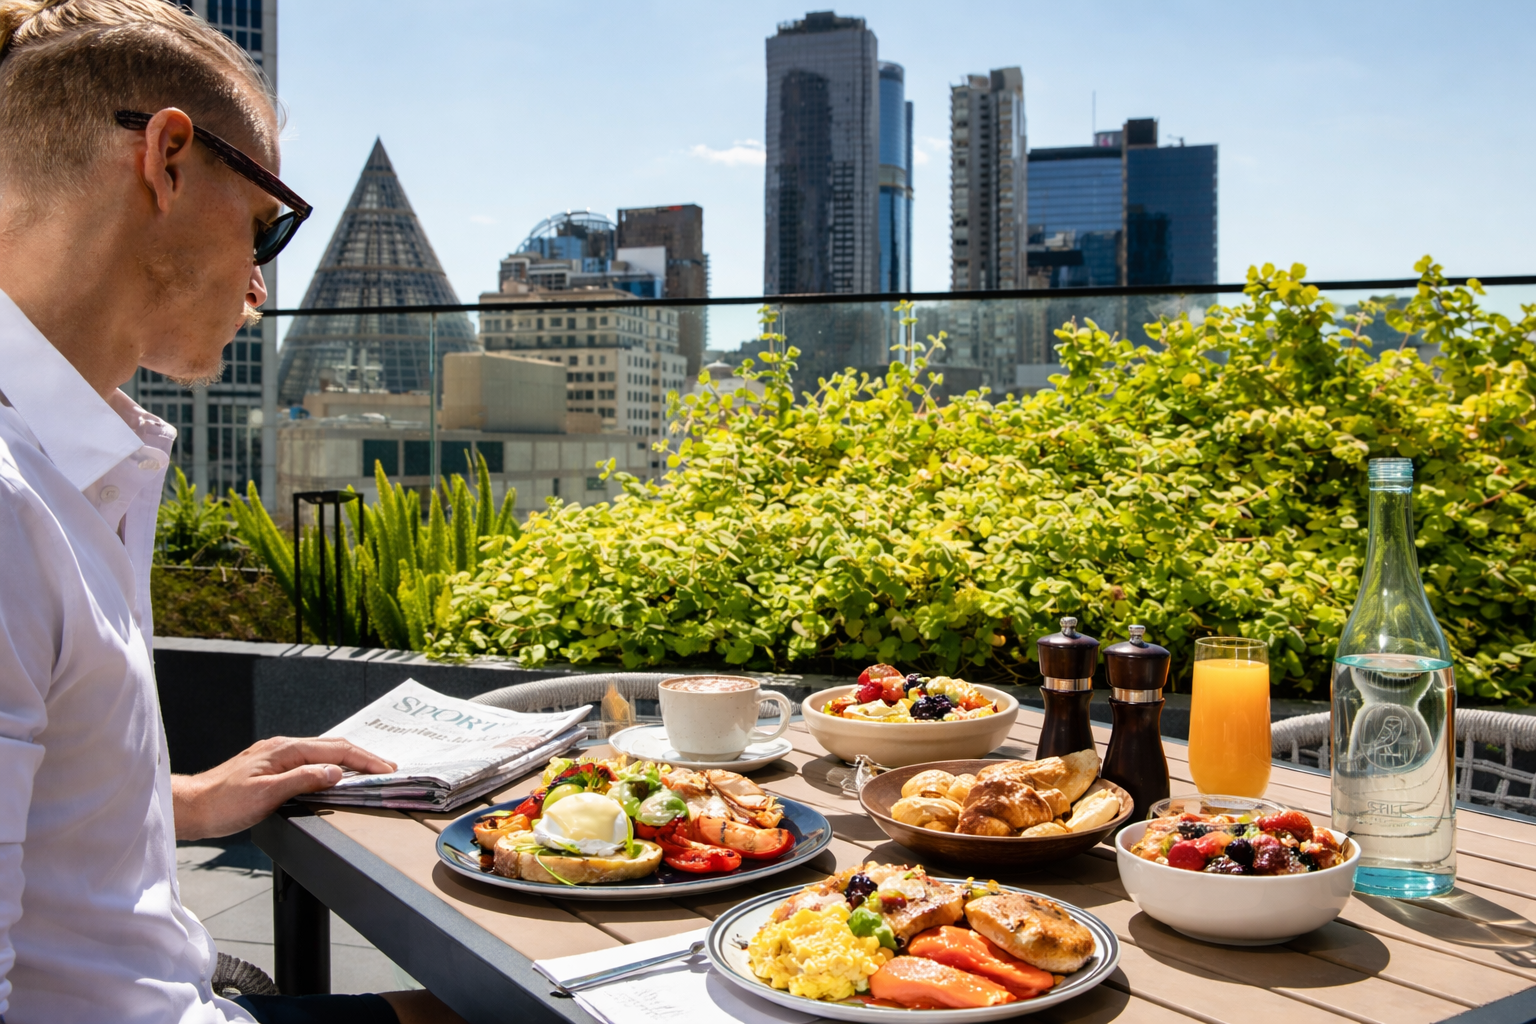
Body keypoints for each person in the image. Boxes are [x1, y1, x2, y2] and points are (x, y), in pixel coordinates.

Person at [0, 2, 467, 1021]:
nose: (261, 282)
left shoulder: (67, 468)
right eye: (267, 223)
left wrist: (186, 798)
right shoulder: (9, 508)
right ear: (168, 158)